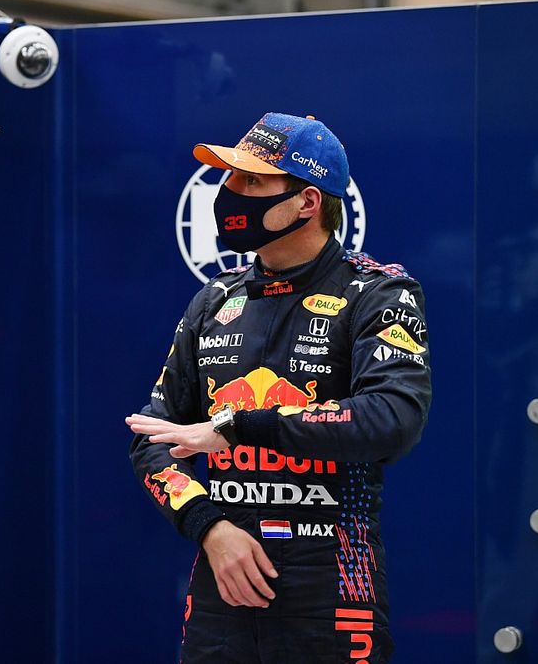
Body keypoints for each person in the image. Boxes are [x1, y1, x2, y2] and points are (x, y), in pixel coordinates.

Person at [127, 113, 431, 663]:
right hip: (225, 571)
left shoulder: (378, 292)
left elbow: (393, 418)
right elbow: (152, 438)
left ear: (307, 202)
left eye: (251, 181)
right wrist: (208, 526)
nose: (229, 193)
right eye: (230, 178)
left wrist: (240, 425)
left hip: (334, 573)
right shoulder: (216, 299)